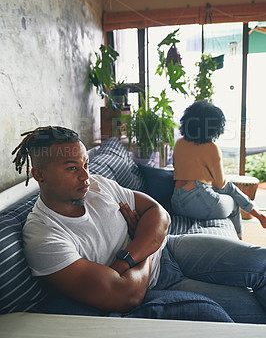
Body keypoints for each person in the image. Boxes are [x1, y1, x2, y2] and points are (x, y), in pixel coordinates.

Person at [12, 126, 266, 321]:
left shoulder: (98, 185)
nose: (85, 176)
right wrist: (144, 244)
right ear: (39, 174)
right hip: (155, 285)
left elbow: (159, 213)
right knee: (254, 312)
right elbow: (125, 296)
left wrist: (126, 259)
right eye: (71, 168)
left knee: (262, 262)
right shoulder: (43, 236)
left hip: (172, 248)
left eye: (86, 164)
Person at [171, 100, 266, 239]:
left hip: (177, 201)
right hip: (199, 199)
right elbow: (220, 184)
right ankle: (242, 237)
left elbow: (178, 169)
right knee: (233, 200)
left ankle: (258, 216)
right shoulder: (211, 147)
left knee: (227, 189)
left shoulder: (179, 143)